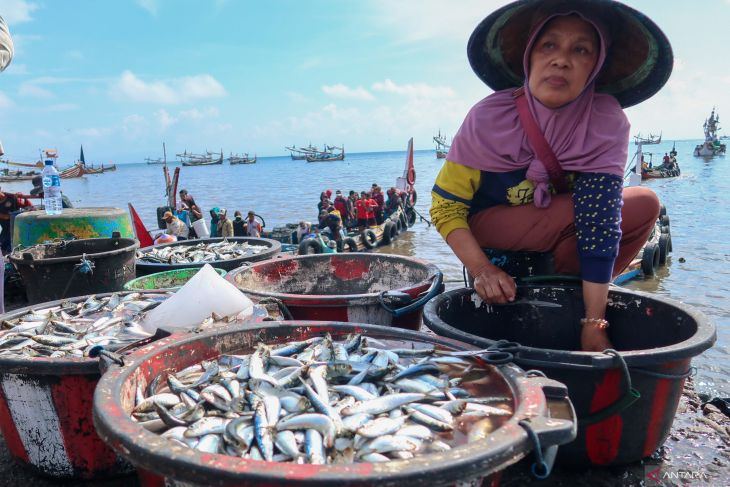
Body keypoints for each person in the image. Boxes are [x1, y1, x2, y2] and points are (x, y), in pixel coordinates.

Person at [430, 0, 670, 352]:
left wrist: (593, 322)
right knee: (586, 211)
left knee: (644, 204)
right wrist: (482, 270)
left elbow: (600, 222)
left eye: (581, 49)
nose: (562, 59)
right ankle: (565, 287)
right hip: (489, 230)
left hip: (561, 224)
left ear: (596, 65)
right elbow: (445, 208)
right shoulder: (488, 118)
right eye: (549, 45)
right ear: (529, 56)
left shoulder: (604, 121)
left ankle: (574, 291)